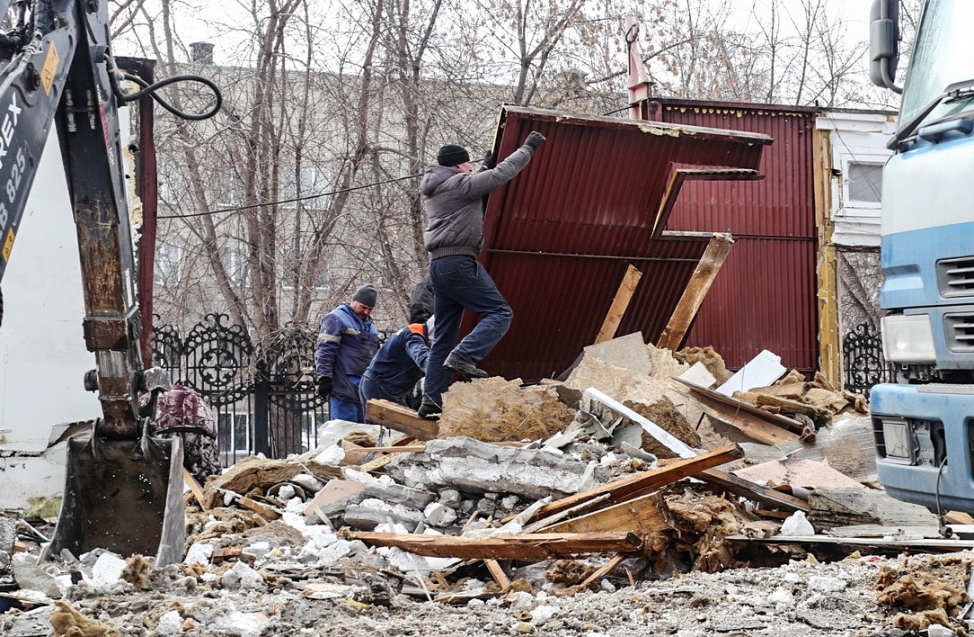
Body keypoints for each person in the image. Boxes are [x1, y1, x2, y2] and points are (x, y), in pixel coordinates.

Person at [417, 131, 546, 419]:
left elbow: (481, 179)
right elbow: (502, 174)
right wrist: (528, 148)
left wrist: (485, 166)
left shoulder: (438, 188)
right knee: (500, 312)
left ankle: (432, 400)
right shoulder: (460, 185)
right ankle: (465, 356)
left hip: (438, 268)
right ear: (459, 166)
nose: (471, 169)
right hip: (458, 262)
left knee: (443, 337)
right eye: (468, 165)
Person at [315, 284, 381, 423]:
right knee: (344, 436)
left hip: (363, 392)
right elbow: (325, 350)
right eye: (363, 307)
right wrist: (324, 377)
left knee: (363, 438)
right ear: (353, 300)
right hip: (343, 390)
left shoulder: (370, 325)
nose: (366, 312)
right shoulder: (336, 318)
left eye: (370, 309)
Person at [359, 312, 434, 412]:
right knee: (398, 425)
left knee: (377, 427)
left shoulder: (414, 332)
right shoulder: (414, 335)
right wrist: (439, 373)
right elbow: (422, 357)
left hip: (375, 383)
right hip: (382, 387)